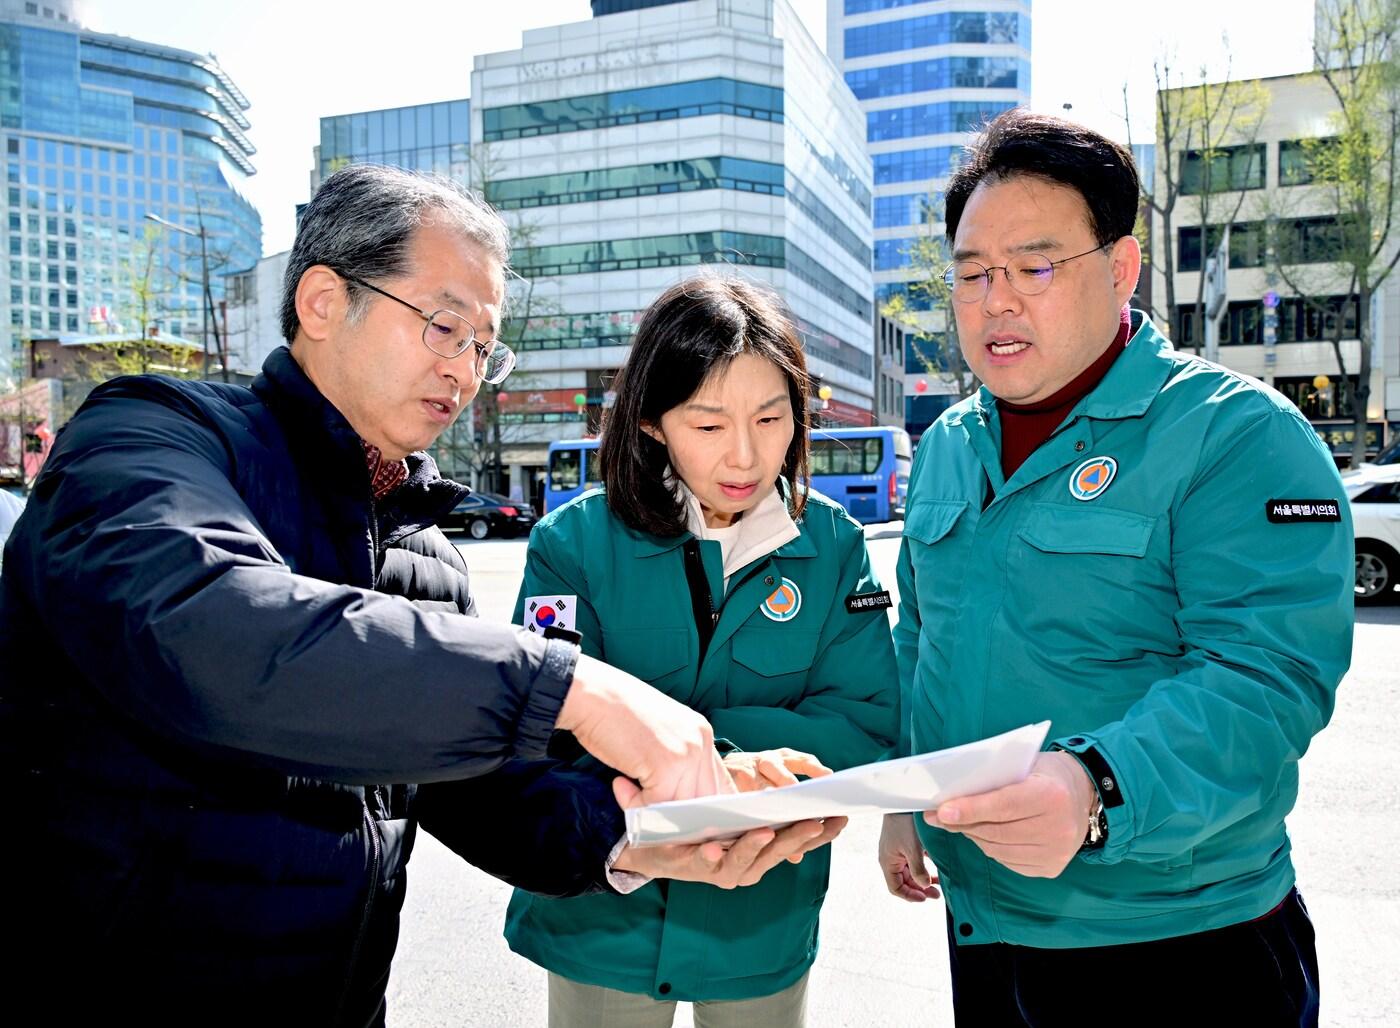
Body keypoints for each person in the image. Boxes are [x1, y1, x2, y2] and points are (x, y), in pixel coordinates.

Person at [0, 165, 807, 1026]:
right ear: (321, 301)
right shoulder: (150, 439)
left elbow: (488, 791)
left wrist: (655, 830)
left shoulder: (422, 552)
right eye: (443, 326)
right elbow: (217, 635)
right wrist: (569, 685)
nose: (463, 370)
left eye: (483, 346)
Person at [878, 108, 1353, 1026]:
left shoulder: (1235, 435)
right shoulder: (946, 446)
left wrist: (1095, 788)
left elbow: (1265, 678)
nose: (996, 301)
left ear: (1122, 267)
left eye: (1035, 267)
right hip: (987, 928)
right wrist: (907, 792)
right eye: (972, 274)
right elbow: (919, 638)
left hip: (1178, 944)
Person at [503, 276, 900, 1028]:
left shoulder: (834, 546)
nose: (747, 456)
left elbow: (866, 723)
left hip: (760, 913)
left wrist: (690, 752)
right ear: (652, 423)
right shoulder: (573, 545)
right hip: (605, 917)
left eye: (771, 418)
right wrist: (733, 760)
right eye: (709, 426)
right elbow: (539, 725)